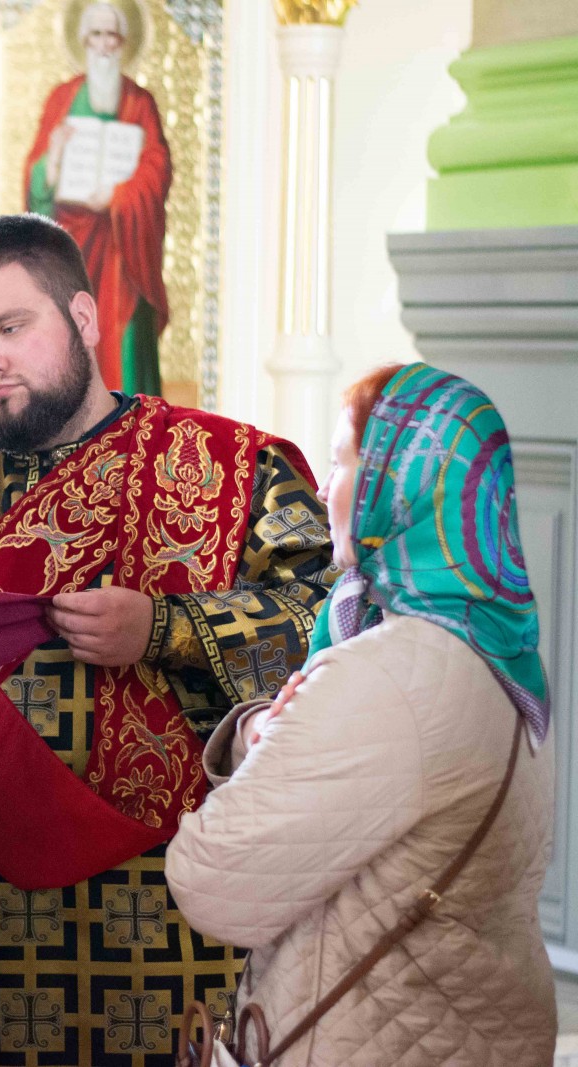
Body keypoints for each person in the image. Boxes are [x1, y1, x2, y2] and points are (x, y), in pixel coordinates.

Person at [0, 213, 334, 1067]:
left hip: (164, 934)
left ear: (83, 318)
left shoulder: (232, 467)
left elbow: (326, 625)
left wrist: (165, 626)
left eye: (9, 328)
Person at [166, 363, 556, 1067]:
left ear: (397, 485)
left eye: (343, 462)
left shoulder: (387, 671)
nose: (322, 488)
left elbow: (210, 881)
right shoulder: (501, 654)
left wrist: (271, 738)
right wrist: (264, 731)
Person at [23, 0, 170, 395]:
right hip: (73, 248)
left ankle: (131, 427)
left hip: (125, 252)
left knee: (123, 337)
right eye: (96, 35)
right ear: (84, 41)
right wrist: (54, 159)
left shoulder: (140, 103)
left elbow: (157, 170)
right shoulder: (62, 99)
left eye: (112, 36)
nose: (104, 45)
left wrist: (118, 196)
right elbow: (36, 180)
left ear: (124, 43)